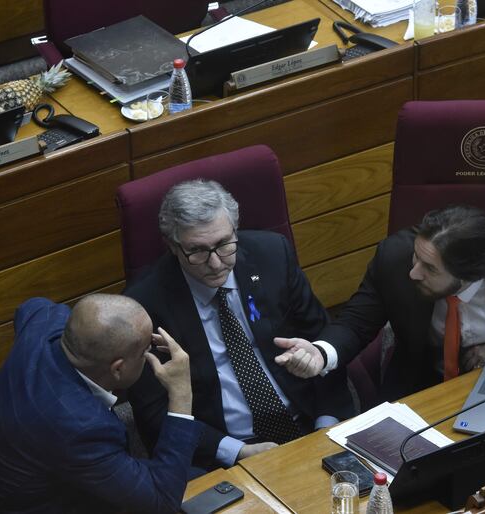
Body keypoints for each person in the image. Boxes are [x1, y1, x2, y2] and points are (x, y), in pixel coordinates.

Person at [275, 205, 485, 401]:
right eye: (416, 258)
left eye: (428, 269)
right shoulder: (395, 260)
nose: (413, 273)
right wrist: (320, 353)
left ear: (471, 274)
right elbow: (355, 322)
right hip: (421, 386)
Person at [125, 179, 354, 470]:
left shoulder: (272, 255)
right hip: (222, 452)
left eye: (224, 244)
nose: (217, 264)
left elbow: (323, 342)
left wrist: (327, 424)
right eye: (197, 251)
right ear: (172, 245)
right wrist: (235, 452)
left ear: (235, 229)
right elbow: (154, 412)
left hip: (310, 424)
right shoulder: (145, 304)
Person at [0, 295, 203, 514]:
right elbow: (162, 502)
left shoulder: (42, 326)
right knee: (193, 487)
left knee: (198, 478)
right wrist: (181, 393)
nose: (149, 354)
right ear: (118, 369)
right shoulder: (81, 426)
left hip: (32, 472)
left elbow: (33, 305)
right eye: (145, 351)